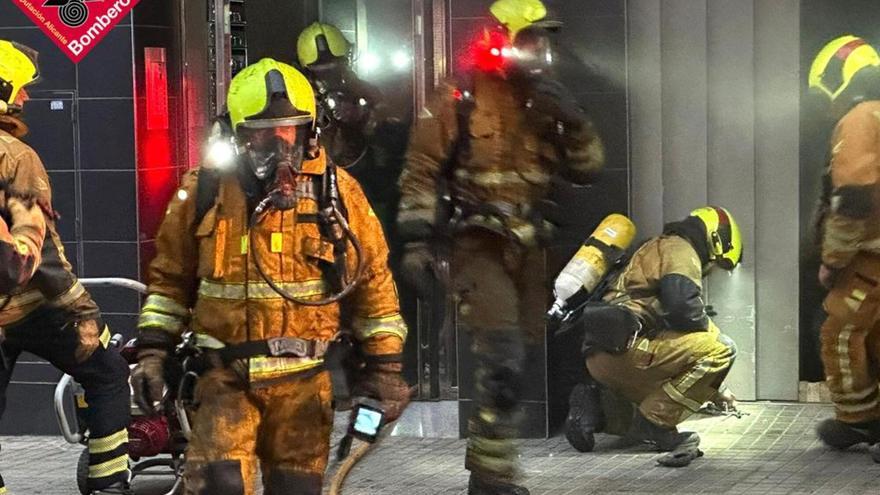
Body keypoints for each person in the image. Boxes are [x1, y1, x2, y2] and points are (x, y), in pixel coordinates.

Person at [131, 58, 409, 495]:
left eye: (290, 128)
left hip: (304, 388)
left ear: (310, 130)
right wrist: (152, 353)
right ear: (236, 134)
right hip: (224, 383)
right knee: (219, 487)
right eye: (262, 130)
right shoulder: (204, 192)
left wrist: (384, 369)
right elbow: (168, 283)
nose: (279, 141)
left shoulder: (337, 194)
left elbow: (373, 287)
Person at [397, 0, 604, 492]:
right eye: (532, 38)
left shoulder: (548, 99)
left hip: (531, 250)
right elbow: (422, 168)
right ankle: (491, 481)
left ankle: (490, 468)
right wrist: (416, 242)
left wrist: (574, 122)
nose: (541, 50)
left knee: (516, 365)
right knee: (504, 358)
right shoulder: (461, 94)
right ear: (508, 39)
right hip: (478, 245)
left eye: (545, 40)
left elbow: (589, 168)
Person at [0, 39, 132, 494]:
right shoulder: (15, 156)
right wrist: (81, 307)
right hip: (33, 307)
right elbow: (36, 252)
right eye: (20, 90)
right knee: (109, 373)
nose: (27, 99)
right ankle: (109, 482)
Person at [564, 207, 741, 465]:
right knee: (722, 348)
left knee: (658, 392)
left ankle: (595, 407)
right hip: (631, 350)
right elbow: (684, 309)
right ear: (716, 240)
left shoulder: (650, 248)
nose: (711, 269)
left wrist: (717, 390)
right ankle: (655, 425)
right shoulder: (681, 248)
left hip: (600, 358)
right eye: (716, 263)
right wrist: (707, 326)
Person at [808, 35, 880, 449]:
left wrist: (833, 261)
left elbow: (852, 196)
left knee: (839, 334)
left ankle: (858, 419)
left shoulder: (860, 118)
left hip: (869, 260)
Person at [296, 22, 406, 235]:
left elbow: (393, 135)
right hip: (315, 184)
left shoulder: (366, 92)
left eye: (336, 67)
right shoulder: (299, 98)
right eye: (322, 70)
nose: (330, 76)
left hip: (365, 181)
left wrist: (364, 118)